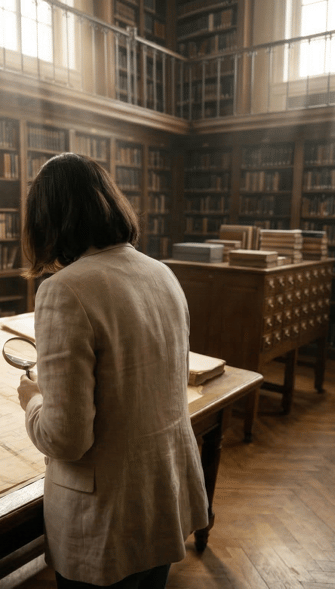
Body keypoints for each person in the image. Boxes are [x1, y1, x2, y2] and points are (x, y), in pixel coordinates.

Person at [16, 153, 209, 589]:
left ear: (47, 219)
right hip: (161, 496)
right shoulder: (161, 273)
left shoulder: (64, 290)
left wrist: (33, 401)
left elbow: (66, 439)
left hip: (103, 519)